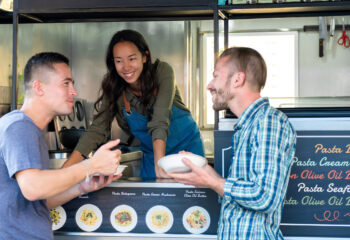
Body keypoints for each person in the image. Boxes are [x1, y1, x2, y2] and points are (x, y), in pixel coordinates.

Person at [168, 47, 297, 239]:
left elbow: (264, 197)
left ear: (238, 79)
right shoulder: (246, 126)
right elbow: (242, 194)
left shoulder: (268, 122)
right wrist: (206, 173)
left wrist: (211, 181)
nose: (209, 85)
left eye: (216, 76)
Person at [0, 52, 122, 240]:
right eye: (66, 83)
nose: (74, 92)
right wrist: (91, 165)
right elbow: (33, 188)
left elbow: (39, 201)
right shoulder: (19, 127)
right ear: (39, 87)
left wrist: (82, 188)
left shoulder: (30, 130)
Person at [63, 29, 204, 178]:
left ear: (144, 56)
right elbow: (97, 130)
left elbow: (159, 120)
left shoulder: (163, 72)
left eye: (132, 59)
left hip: (186, 151)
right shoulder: (114, 86)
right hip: (152, 155)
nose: (126, 67)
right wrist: (65, 172)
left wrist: (160, 167)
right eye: (119, 61)